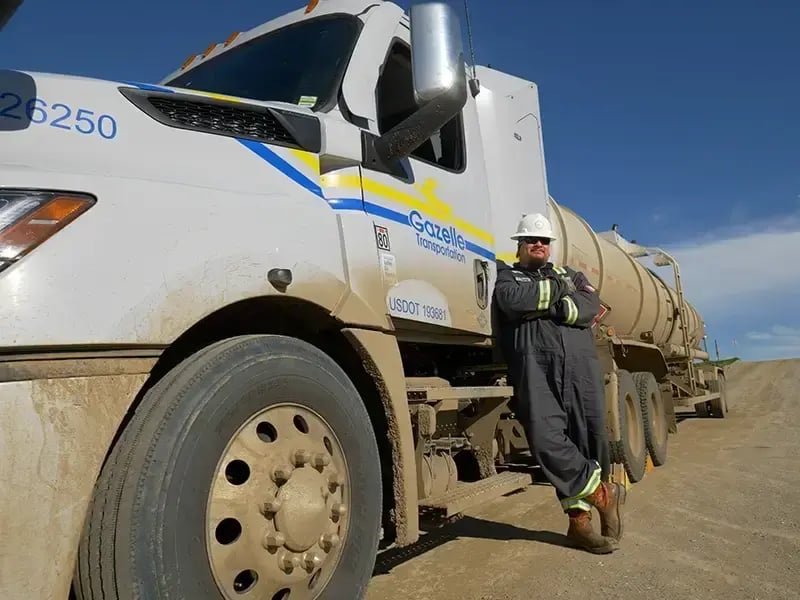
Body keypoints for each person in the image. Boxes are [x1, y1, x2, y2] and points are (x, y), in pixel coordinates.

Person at [491, 212, 626, 554]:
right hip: (536, 368)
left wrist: (548, 305)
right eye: (531, 240)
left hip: (580, 368)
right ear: (519, 245)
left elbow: (589, 305)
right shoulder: (507, 275)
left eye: (544, 241)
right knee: (546, 440)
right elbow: (511, 303)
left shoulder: (570, 274)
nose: (538, 244)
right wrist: (560, 297)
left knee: (590, 441)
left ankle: (579, 526)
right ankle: (602, 494)